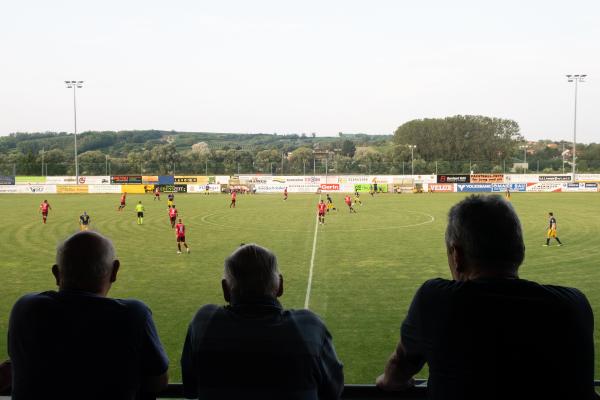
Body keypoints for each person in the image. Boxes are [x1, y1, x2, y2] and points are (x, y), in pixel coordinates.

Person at [376, 195, 596, 400]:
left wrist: (387, 381)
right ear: (520, 250)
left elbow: (399, 368)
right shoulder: (574, 304)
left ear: (457, 255)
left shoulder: (436, 300)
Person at [7, 231, 169, 399]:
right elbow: (158, 382)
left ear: (56, 274)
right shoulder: (134, 314)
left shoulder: (25, 308)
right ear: (114, 271)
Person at [181, 244, 343, 400]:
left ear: (226, 290)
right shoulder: (309, 327)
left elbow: (190, 389)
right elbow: (333, 391)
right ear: (280, 286)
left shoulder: (204, 323)